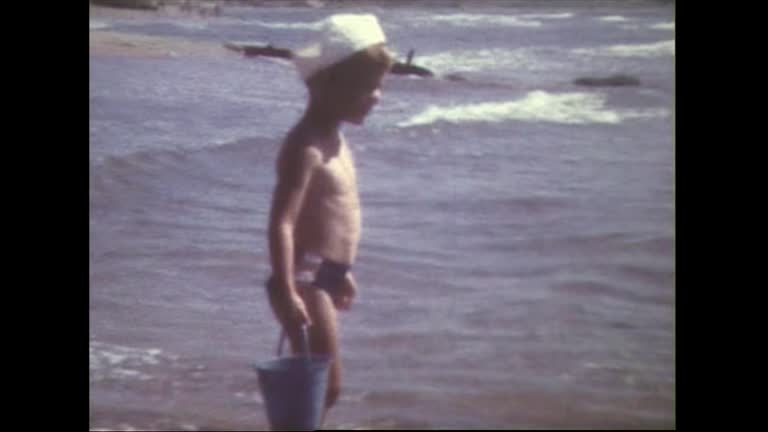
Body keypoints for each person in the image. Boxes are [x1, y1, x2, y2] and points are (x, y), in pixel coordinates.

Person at [264, 14, 394, 425]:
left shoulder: (334, 139)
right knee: (320, 386)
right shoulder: (306, 147)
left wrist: (340, 271)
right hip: (303, 278)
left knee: (319, 386)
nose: (377, 97)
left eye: (379, 86)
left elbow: (329, 217)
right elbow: (282, 223)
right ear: (327, 86)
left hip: (323, 273)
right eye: (367, 87)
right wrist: (287, 289)